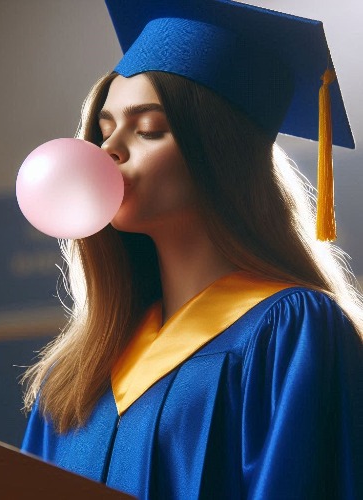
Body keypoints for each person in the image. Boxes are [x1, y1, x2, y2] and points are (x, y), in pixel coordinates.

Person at [21, 1, 363, 498]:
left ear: (217, 154)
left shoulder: (288, 331)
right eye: (104, 128)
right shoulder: (78, 371)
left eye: (149, 130)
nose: (108, 151)